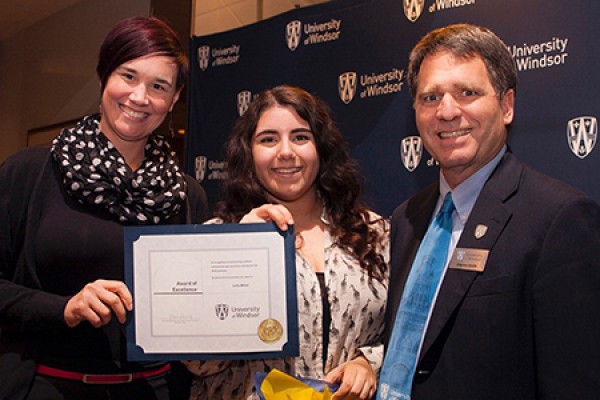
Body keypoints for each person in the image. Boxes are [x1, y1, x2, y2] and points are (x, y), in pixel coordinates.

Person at [377, 23, 600, 400]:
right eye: (430, 97)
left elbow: (574, 382)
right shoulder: (405, 218)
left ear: (506, 105)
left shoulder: (560, 220)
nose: (447, 112)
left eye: (467, 93)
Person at [0, 16, 209, 400]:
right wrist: (64, 308)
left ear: (175, 98)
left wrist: (251, 238)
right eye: (128, 76)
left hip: (156, 392)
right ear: (104, 77)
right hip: (46, 388)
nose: (139, 96)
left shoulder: (185, 194)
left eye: (158, 85)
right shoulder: (30, 172)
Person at [183, 85, 389, 399]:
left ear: (321, 147)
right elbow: (198, 363)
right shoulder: (218, 237)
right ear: (248, 153)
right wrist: (240, 250)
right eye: (268, 139)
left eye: (300, 137)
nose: (285, 152)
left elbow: (410, 331)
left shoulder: (375, 233)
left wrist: (368, 362)